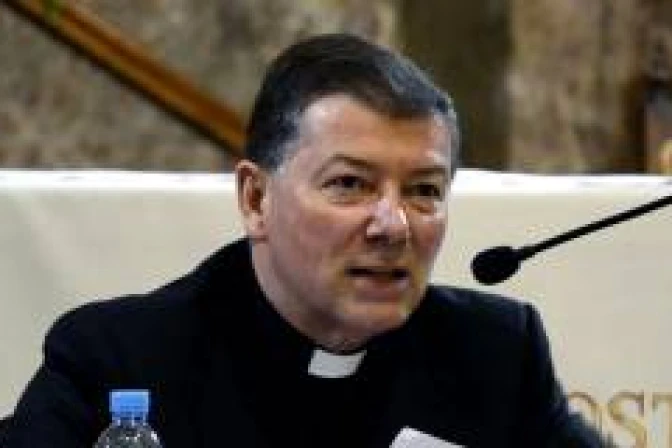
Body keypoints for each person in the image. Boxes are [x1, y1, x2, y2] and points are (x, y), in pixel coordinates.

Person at [3, 34, 604, 447]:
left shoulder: (495, 353)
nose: (393, 224)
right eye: (350, 184)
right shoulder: (116, 360)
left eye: (424, 190)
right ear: (255, 199)